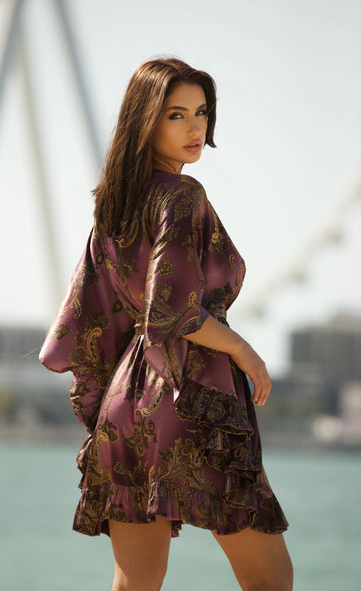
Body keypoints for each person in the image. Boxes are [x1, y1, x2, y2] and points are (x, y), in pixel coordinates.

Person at [40, 58, 293, 591]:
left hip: (126, 402)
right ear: (145, 121)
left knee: (135, 582)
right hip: (190, 395)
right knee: (271, 579)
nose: (195, 127)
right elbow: (173, 311)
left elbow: (89, 317)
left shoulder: (113, 207)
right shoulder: (182, 195)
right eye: (176, 114)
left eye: (201, 112)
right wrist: (243, 350)